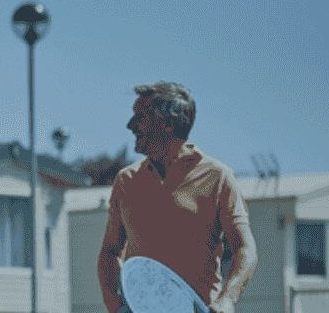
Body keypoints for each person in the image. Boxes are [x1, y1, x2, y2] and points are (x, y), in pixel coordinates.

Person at [97, 82, 256, 313]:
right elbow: (110, 251)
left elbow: (245, 248)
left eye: (140, 117)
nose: (130, 125)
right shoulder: (126, 180)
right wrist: (115, 306)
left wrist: (227, 299)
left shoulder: (218, 176)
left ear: (168, 124)